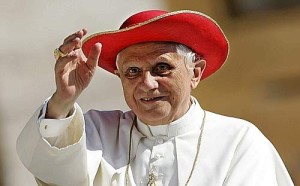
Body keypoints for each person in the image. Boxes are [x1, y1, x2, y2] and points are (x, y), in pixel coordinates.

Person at [17, 10, 294, 186]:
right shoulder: (95, 135)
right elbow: (50, 164)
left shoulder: (239, 142)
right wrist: (63, 99)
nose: (147, 84)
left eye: (161, 68)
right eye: (133, 71)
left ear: (195, 72)